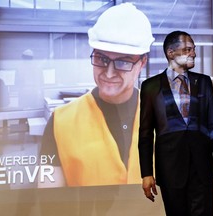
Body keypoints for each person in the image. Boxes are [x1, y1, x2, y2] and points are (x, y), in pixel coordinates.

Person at [39, 3, 155, 187]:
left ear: (142, 63)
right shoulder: (60, 122)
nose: (109, 73)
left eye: (123, 62)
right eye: (102, 59)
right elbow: (50, 202)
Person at [138, 30, 213, 215]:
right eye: (188, 49)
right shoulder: (150, 86)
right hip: (169, 168)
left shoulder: (203, 82)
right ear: (171, 53)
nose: (193, 53)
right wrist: (146, 173)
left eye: (193, 49)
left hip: (201, 167)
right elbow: (145, 134)